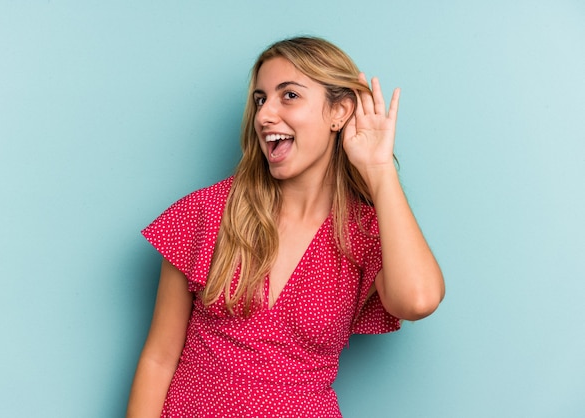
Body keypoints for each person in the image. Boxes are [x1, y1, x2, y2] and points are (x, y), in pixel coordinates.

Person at [126, 36, 445, 417]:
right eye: (261, 99)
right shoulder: (208, 211)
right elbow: (159, 359)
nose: (264, 115)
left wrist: (378, 171)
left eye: (288, 95)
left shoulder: (364, 233)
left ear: (339, 112)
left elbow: (418, 300)